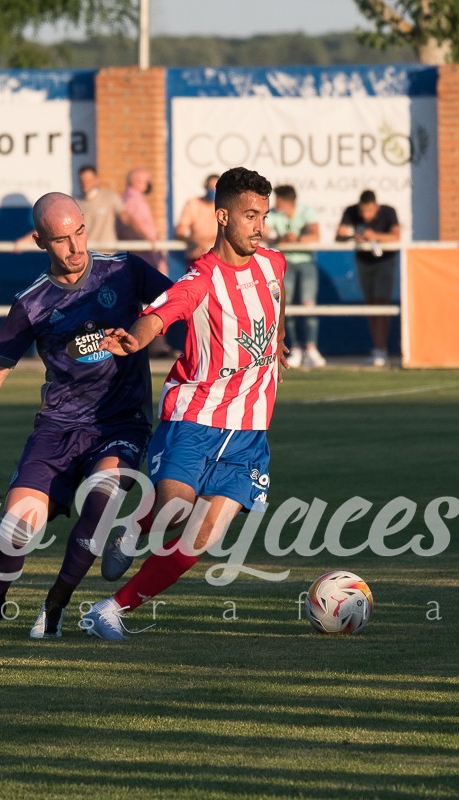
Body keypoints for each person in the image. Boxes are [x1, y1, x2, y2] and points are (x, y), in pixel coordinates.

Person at [0, 192, 173, 639]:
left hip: (120, 424)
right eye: (61, 239)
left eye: (79, 233)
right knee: (18, 526)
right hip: (57, 427)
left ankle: (55, 606)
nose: (75, 248)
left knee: (102, 498)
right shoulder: (31, 304)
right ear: (39, 241)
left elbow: (182, 305)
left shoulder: (125, 270)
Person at [81, 166, 287, 640]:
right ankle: (134, 528)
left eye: (264, 216)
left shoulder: (274, 264)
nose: (260, 226)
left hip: (250, 432)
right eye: (250, 216)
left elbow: (277, 303)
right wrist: (131, 341)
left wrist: (277, 340)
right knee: (176, 512)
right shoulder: (201, 279)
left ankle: (110, 611)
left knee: (203, 535)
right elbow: (157, 318)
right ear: (221, 216)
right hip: (194, 418)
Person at [336, 190, 401, 368]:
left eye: (370, 211)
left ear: (376, 207)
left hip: (385, 263)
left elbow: (396, 236)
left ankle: (382, 349)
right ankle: (377, 348)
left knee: (382, 304)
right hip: (364, 263)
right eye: (363, 211)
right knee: (371, 305)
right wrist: (353, 236)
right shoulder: (351, 211)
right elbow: (339, 235)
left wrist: (375, 236)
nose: (366, 215)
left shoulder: (388, 212)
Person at [117, 167, 175, 359]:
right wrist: (151, 247)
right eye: (144, 180)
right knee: (156, 301)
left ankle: (154, 344)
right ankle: (154, 345)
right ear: (135, 181)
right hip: (144, 256)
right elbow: (134, 227)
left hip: (146, 255)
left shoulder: (134, 200)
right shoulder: (132, 200)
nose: (147, 184)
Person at [265, 185, 324, 368]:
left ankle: (311, 347)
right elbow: (266, 233)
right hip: (285, 263)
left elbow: (315, 235)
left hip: (306, 262)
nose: (275, 203)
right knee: (285, 304)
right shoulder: (273, 214)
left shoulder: (306, 212)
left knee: (308, 304)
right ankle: (295, 347)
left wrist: (297, 239)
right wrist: (280, 238)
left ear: (286, 200)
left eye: (278, 199)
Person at [76, 165, 126, 252]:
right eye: (82, 180)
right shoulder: (76, 203)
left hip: (108, 253)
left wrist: (145, 235)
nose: (85, 183)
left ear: (96, 180)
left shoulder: (110, 197)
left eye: (88, 180)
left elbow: (126, 217)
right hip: (86, 254)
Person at [175, 174, 220, 263]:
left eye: (215, 188)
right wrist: (195, 242)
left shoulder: (227, 206)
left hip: (219, 257)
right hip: (197, 258)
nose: (213, 191)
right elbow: (179, 233)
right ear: (205, 187)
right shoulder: (193, 204)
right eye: (210, 188)